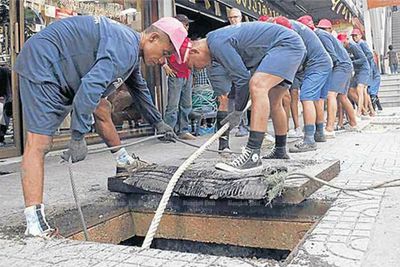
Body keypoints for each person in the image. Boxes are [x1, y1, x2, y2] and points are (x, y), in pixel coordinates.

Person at [14, 15, 187, 238]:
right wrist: (78, 135)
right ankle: (34, 224)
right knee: (39, 143)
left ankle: (123, 161)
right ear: (153, 38)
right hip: (43, 62)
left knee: (102, 107)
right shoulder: (125, 48)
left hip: (63, 64)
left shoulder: (131, 50)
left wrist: (158, 122)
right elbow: (90, 87)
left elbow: (139, 89)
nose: (164, 61)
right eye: (165, 53)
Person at [187, 21, 306, 172]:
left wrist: (238, 111)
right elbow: (238, 77)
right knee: (274, 101)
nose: (197, 69)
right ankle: (280, 149)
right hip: (285, 46)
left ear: (194, 51)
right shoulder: (216, 41)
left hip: (286, 45)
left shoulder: (216, 43)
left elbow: (242, 79)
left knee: (257, 85)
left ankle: (252, 155)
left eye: (192, 66)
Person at [273, 17, 332, 153]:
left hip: (317, 65)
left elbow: (299, 54)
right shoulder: (294, 25)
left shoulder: (292, 31)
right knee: (316, 99)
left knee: (306, 98)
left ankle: (309, 140)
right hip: (323, 62)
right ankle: (319, 133)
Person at [311, 18, 357, 136]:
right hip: (345, 65)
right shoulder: (323, 34)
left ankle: (329, 129)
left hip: (340, 65)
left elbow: (332, 55)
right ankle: (353, 123)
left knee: (331, 94)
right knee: (342, 97)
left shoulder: (321, 35)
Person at [163, 14, 196, 140]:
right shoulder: (170, 39)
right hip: (176, 74)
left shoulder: (187, 41)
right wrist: (164, 65)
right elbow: (161, 53)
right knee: (173, 105)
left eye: (187, 25)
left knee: (186, 104)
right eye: (185, 24)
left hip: (187, 74)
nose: (187, 27)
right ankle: (168, 132)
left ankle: (183, 130)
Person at [351, 29, 376, 116]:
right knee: (364, 91)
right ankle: (370, 111)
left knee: (363, 90)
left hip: (365, 69)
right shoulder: (357, 44)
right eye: (353, 36)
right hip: (363, 69)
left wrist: (365, 63)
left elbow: (369, 55)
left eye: (356, 35)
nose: (354, 37)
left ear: (360, 35)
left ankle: (364, 111)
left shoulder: (362, 43)